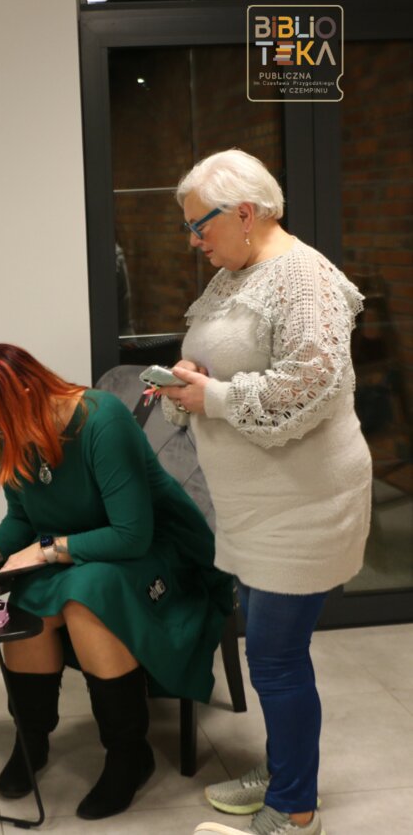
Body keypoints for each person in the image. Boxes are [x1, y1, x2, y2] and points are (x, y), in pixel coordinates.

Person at [156, 149, 371, 835]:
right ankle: (285, 771)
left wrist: (213, 397)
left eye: (200, 225)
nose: (194, 240)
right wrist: (190, 378)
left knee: (275, 658)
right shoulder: (233, 276)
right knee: (270, 652)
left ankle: (294, 809)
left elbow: (311, 385)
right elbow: (226, 363)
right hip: (255, 507)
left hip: (304, 505)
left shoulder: (304, 277)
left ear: (245, 213)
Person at [0, 343, 233, 820]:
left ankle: (128, 754)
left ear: (25, 393)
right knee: (28, 598)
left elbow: (132, 535)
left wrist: (46, 549)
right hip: (81, 550)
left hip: (156, 551)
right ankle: (31, 739)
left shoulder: (103, 421)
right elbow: (22, 516)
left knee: (87, 594)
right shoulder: (13, 432)